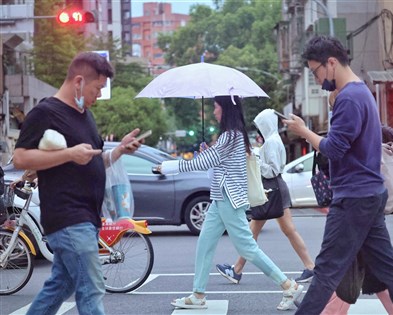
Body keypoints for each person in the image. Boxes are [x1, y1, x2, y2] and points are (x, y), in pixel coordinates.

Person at [283, 34, 393, 315]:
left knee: (326, 272)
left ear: (331, 63)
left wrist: (304, 131)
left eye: (315, 71)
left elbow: (334, 149)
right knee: (390, 269)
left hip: (354, 197)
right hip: (368, 193)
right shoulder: (359, 93)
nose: (317, 80)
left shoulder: (350, 99)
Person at [13, 52, 143, 315]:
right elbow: (19, 157)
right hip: (67, 217)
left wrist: (120, 151)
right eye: (98, 88)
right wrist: (69, 153)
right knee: (92, 288)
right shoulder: (45, 112)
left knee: (60, 286)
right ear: (79, 82)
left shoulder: (86, 116)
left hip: (88, 217)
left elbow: (93, 160)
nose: (99, 95)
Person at [156, 96, 303, 311]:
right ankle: (198, 294)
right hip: (220, 198)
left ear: (225, 110)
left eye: (216, 108)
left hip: (229, 199)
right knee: (205, 244)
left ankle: (288, 285)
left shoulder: (230, 137)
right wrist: (210, 152)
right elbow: (214, 163)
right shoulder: (233, 137)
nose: (214, 112)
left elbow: (202, 163)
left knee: (247, 248)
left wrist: (167, 167)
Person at [216, 108, 315, 284]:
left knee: (257, 231)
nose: (259, 129)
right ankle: (310, 267)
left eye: (261, 125)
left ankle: (237, 270)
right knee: (272, 230)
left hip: (271, 188)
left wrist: (255, 160)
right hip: (275, 188)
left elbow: (272, 170)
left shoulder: (271, 142)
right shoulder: (273, 140)